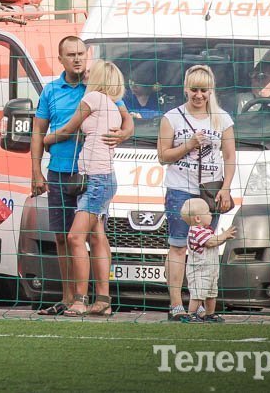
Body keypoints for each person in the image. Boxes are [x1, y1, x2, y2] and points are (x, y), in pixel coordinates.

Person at [31, 37, 133, 315]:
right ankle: (69, 298)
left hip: (91, 175)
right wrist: (36, 171)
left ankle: (95, 298)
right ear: (60, 59)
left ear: (87, 56)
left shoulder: (97, 86)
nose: (77, 59)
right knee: (63, 237)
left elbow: (127, 121)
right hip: (59, 172)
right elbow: (37, 130)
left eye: (80, 53)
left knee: (94, 236)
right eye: (71, 54)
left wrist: (123, 135)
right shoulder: (51, 90)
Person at [157, 64, 236, 321]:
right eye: (194, 90)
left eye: (203, 90)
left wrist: (226, 188)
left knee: (204, 249)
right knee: (179, 246)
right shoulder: (172, 118)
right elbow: (163, 156)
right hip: (180, 189)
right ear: (186, 89)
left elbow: (230, 156)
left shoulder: (222, 119)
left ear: (211, 90)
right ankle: (176, 305)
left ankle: (199, 303)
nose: (198, 95)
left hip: (210, 192)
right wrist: (188, 145)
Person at [180, 197, 237, 322]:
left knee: (211, 294)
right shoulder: (196, 231)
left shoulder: (205, 230)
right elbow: (210, 242)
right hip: (199, 271)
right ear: (198, 218)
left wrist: (223, 238)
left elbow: (214, 242)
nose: (210, 214)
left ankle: (209, 314)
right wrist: (224, 235)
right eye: (207, 212)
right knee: (198, 294)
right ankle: (191, 314)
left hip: (210, 270)